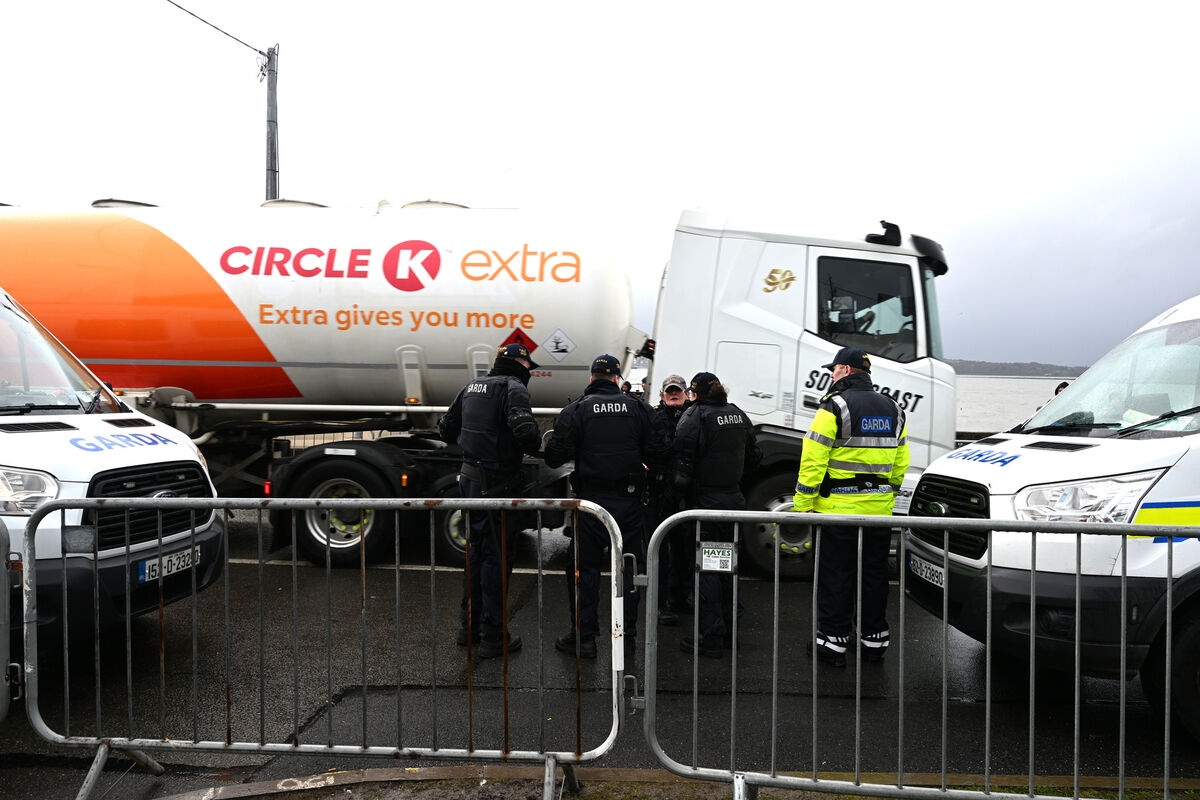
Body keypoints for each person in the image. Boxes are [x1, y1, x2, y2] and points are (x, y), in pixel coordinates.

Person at [793, 346, 908, 667]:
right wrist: (887, 494)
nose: (830, 374)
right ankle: (874, 641)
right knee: (874, 576)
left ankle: (833, 643)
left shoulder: (834, 407)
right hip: (878, 513)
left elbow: (813, 460)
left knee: (836, 576)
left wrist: (803, 505)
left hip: (838, 512)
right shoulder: (894, 409)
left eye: (834, 369)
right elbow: (900, 463)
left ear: (845, 370)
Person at [545, 354, 656, 660]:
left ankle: (584, 638)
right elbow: (658, 451)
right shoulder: (638, 409)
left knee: (583, 569)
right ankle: (628, 634)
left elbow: (555, 456)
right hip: (629, 502)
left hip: (591, 505)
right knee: (629, 568)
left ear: (592, 378)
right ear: (617, 379)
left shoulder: (577, 409)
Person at [438, 342, 541, 659]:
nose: (529, 373)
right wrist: (535, 446)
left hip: (469, 481)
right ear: (520, 364)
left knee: (476, 553)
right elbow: (526, 432)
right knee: (497, 559)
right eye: (528, 367)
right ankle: (494, 636)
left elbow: (445, 429)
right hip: (497, 485)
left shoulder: (470, 386)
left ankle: (467, 629)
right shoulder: (513, 388)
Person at [673, 372, 760, 658]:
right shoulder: (737, 414)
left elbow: (683, 466)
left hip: (707, 502)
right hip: (733, 499)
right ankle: (728, 632)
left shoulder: (695, 416)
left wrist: (680, 497)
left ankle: (710, 636)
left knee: (710, 567)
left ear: (695, 393)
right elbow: (754, 458)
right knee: (727, 565)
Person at [646, 374, 691, 625]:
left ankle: (680, 596)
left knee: (684, 548)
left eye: (678, 391)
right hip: (660, 493)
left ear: (686, 394)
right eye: (669, 391)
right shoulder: (654, 417)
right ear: (662, 395)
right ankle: (660, 602)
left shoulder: (694, 415)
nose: (674, 394)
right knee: (659, 551)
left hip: (685, 495)